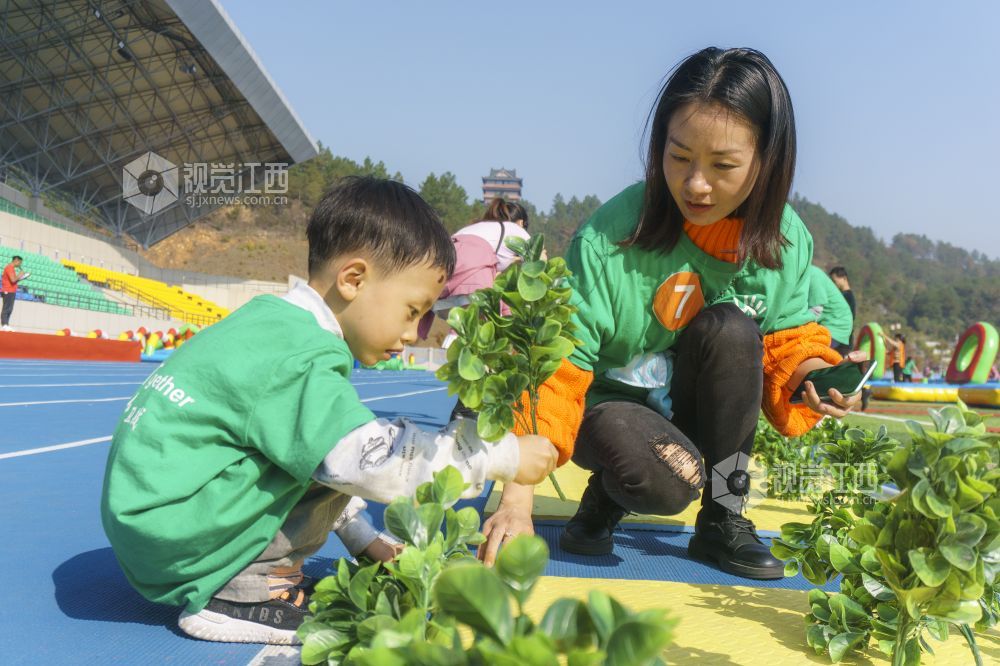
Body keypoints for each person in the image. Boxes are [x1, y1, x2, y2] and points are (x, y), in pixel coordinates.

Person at [101, 177, 558, 645]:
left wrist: (364, 538)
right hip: (178, 535)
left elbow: (314, 459)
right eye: (412, 310)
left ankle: (251, 573)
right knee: (354, 444)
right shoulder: (298, 354)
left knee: (328, 437)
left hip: (161, 521)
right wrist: (500, 457)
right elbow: (370, 461)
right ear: (354, 279)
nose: (417, 334)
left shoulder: (275, 323)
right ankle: (242, 594)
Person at [477, 47, 865, 580]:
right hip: (607, 406)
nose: (696, 184)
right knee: (667, 482)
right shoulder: (611, 237)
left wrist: (816, 377)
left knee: (733, 329)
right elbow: (558, 364)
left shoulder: (784, 242)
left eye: (723, 165)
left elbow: (786, 341)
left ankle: (723, 520)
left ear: (767, 161)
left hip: (686, 405)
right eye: (679, 157)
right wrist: (517, 502)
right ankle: (612, 490)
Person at [417, 198, 536, 419]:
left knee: (472, 346)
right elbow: (539, 262)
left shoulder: (477, 229)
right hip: (470, 282)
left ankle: (464, 406)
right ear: (521, 223)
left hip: (443, 284)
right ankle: (471, 407)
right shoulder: (515, 231)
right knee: (488, 344)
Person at [806, 265, 853, 355]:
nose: (833, 283)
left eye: (834, 281)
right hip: (835, 328)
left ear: (844, 278)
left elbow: (816, 309)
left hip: (836, 330)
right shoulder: (840, 293)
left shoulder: (848, 296)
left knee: (808, 351)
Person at [1, 254, 29, 331]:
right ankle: (4, 325)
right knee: (6, 308)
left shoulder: (12, 268)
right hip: (8, 290)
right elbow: (13, 280)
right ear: (16, 260)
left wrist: (22, 277)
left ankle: (6, 324)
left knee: (10, 309)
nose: (20, 265)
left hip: (11, 290)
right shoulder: (9, 268)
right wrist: (20, 275)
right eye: (20, 263)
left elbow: (14, 280)